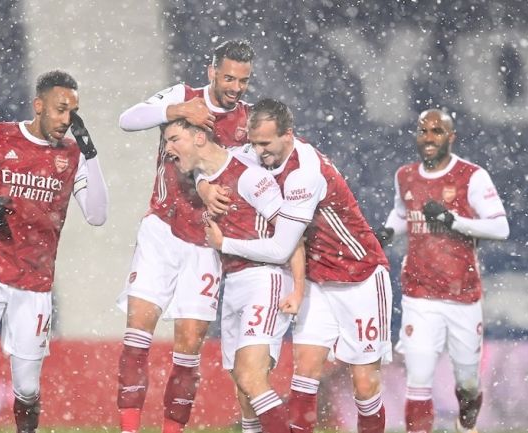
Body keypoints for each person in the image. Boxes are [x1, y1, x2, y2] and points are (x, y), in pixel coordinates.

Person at [204, 99, 392, 433]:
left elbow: (281, 248)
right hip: (317, 281)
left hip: (359, 275)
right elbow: (212, 161)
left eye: (266, 143)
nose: (259, 152)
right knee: (304, 375)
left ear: (288, 135)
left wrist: (224, 245)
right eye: (254, 143)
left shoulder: (304, 174)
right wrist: (204, 186)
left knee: (364, 385)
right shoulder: (257, 155)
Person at [0, 70, 108, 433]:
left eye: (73, 112)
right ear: (39, 106)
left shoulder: (73, 156)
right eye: (61, 110)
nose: (68, 120)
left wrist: (90, 154)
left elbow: (97, 215)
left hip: (34, 283)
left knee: (27, 389)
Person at [114, 39, 255, 433]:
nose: (235, 86)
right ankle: (129, 429)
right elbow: (127, 119)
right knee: (137, 334)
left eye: (243, 80)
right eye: (228, 77)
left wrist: (212, 184)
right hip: (161, 229)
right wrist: (177, 110)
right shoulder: (182, 95)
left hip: (207, 243)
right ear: (212, 71)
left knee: (188, 348)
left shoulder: (249, 121)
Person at [164, 118, 302, 433]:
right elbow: (203, 172)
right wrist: (201, 186)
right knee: (243, 392)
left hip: (266, 279)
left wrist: (298, 290)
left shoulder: (251, 177)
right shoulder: (205, 175)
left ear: (199, 138)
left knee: (250, 378)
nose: (169, 149)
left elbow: (291, 236)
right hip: (235, 281)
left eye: (174, 140)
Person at [376, 108, 509, 433]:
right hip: (419, 295)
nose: (429, 138)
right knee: (418, 379)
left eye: (437, 131)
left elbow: (500, 228)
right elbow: (400, 212)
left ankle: (467, 422)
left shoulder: (471, 176)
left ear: (451, 137)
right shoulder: (405, 175)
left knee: (467, 383)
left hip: (462, 296)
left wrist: (452, 220)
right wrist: (389, 232)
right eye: (423, 131)